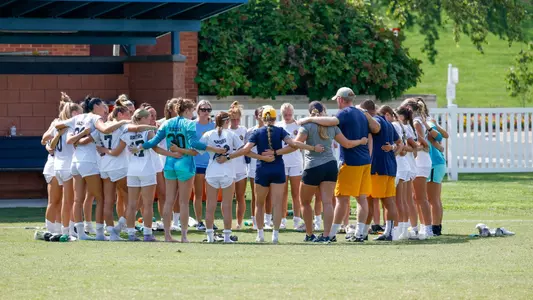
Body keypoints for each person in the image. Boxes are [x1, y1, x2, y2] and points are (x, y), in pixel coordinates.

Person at [225, 106, 324, 243]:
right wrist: (313, 148)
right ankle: (275, 235)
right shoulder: (280, 130)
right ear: (275, 118)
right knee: (277, 204)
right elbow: (294, 145)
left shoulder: (257, 132)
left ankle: (260, 234)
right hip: (278, 169)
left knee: (259, 204)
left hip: (262, 170)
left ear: (263, 118)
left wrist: (231, 157)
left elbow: (246, 150)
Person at [132, 98, 225, 242]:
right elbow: (194, 143)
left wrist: (139, 147)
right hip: (185, 164)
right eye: (192, 110)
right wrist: (212, 148)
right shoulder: (189, 123)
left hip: (169, 164)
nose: (192, 113)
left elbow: (153, 142)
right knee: (183, 202)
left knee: (169, 200)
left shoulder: (167, 123)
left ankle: (167, 236)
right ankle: (183, 236)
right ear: (187, 110)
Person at [298, 87, 380, 242]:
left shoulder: (345, 112)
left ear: (341, 99)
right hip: (365, 161)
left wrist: (308, 119)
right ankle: (360, 234)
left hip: (351, 162)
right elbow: (376, 128)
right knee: (362, 198)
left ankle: (331, 234)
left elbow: (332, 121)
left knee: (342, 199)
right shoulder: (362, 113)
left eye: (337, 100)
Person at [55, 96, 128, 240]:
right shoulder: (95, 118)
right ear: (96, 107)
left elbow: (59, 126)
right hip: (89, 162)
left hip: (75, 162)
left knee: (78, 199)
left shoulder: (78, 117)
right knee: (100, 198)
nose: (106, 109)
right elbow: (105, 130)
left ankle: (81, 233)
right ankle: (100, 233)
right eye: (103, 106)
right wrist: (123, 122)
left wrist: (80, 136)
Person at [199, 112, 249, 242]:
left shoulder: (208, 134)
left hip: (212, 172)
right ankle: (227, 237)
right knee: (227, 205)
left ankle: (210, 237)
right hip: (227, 172)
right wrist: (227, 157)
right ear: (227, 121)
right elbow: (243, 150)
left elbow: (198, 148)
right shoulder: (231, 134)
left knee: (210, 205)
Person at [360, 102, 403, 241]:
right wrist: (392, 151)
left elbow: (375, 128)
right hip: (389, 166)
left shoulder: (377, 120)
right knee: (388, 201)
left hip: (377, 167)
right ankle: (389, 232)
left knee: (369, 200)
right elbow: (400, 143)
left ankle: (362, 232)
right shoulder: (389, 123)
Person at [401, 98, 433, 238]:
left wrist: (414, 147)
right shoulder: (415, 122)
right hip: (418, 161)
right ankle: (420, 227)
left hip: (421, 162)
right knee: (415, 198)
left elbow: (423, 143)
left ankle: (428, 228)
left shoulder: (416, 122)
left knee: (421, 198)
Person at [419, 98, 449, 236]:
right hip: (433, 163)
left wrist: (428, 126)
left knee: (432, 198)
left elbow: (439, 137)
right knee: (427, 197)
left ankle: (435, 227)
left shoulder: (427, 121)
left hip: (434, 162)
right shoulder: (418, 122)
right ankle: (431, 226)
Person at [276, 103, 304, 230]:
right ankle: (282, 220)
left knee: (296, 192)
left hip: (296, 162)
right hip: (281, 162)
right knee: (282, 193)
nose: (287, 117)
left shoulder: (298, 125)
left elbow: (300, 143)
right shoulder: (278, 126)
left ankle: (297, 220)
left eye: (289, 114)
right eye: (285, 114)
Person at [192, 100, 215, 231]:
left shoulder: (213, 126)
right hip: (197, 163)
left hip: (212, 163)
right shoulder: (192, 125)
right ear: (198, 110)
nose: (205, 112)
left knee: (211, 195)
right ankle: (199, 221)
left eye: (208, 109)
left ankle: (210, 221)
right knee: (199, 194)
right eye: (203, 109)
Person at [228, 101, 248, 229]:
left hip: (241, 168)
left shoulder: (244, 130)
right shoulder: (225, 130)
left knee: (240, 196)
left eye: (237, 119)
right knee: (229, 198)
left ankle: (239, 223)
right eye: (233, 119)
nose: (235, 122)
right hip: (229, 168)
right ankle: (227, 223)